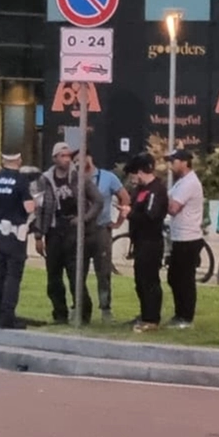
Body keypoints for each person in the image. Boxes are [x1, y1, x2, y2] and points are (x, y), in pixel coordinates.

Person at [31, 142, 104, 324]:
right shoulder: (45, 179)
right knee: (53, 277)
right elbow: (38, 208)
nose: (66, 159)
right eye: (62, 156)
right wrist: (38, 235)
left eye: (68, 156)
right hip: (54, 230)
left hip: (74, 230)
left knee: (75, 276)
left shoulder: (79, 178)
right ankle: (60, 313)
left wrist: (83, 218)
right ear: (54, 158)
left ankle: (83, 313)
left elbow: (98, 200)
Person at [0, 151, 33, 329]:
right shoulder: (21, 180)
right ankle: (7, 317)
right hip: (15, 233)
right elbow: (28, 207)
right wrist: (37, 203)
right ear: (19, 160)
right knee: (13, 276)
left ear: (3, 160)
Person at [123, 154, 168, 333]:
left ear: (140, 172)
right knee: (140, 280)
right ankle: (144, 314)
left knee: (149, 280)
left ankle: (152, 318)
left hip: (151, 241)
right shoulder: (140, 190)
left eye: (134, 175)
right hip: (140, 241)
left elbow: (152, 216)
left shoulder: (156, 190)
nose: (133, 180)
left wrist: (130, 214)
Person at [84, 153, 130, 324]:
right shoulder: (74, 178)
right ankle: (81, 308)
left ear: (89, 157)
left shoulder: (107, 178)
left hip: (101, 229)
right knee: (77, 272)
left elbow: (125, 197)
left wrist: (119, 221)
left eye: (83, 158)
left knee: (103, 272)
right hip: (80, 231)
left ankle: (105, 308)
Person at [164, 149, 205, 330]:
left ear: (184, 162)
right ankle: (179, 313)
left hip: (188, 238)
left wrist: (159, 202)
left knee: (185, 279)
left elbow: (173, 208)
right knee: (174, 277)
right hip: (179, 237)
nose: (171, 165)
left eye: (173, 161)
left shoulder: (190, 183)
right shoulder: (181, 183)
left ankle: (186, 317)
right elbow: (168, 198)